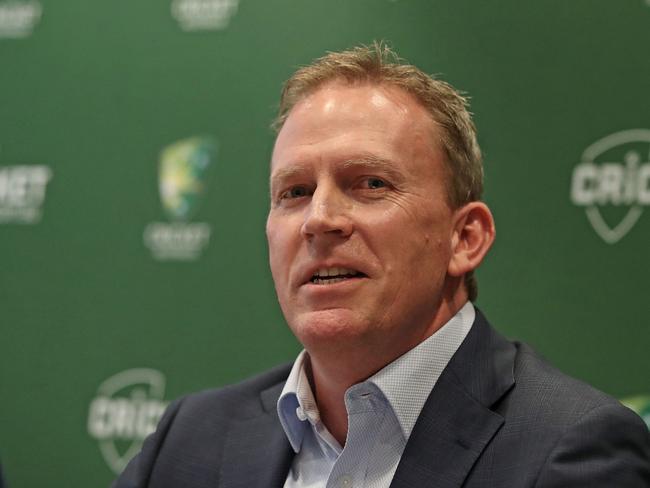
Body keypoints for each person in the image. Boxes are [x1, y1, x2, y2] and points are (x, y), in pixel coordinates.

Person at [114, 43, 650, 487]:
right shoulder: (188, 440)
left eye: (370, 184)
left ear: (464, 238)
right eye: (294, 192)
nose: (319, 219)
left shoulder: (571, 449)